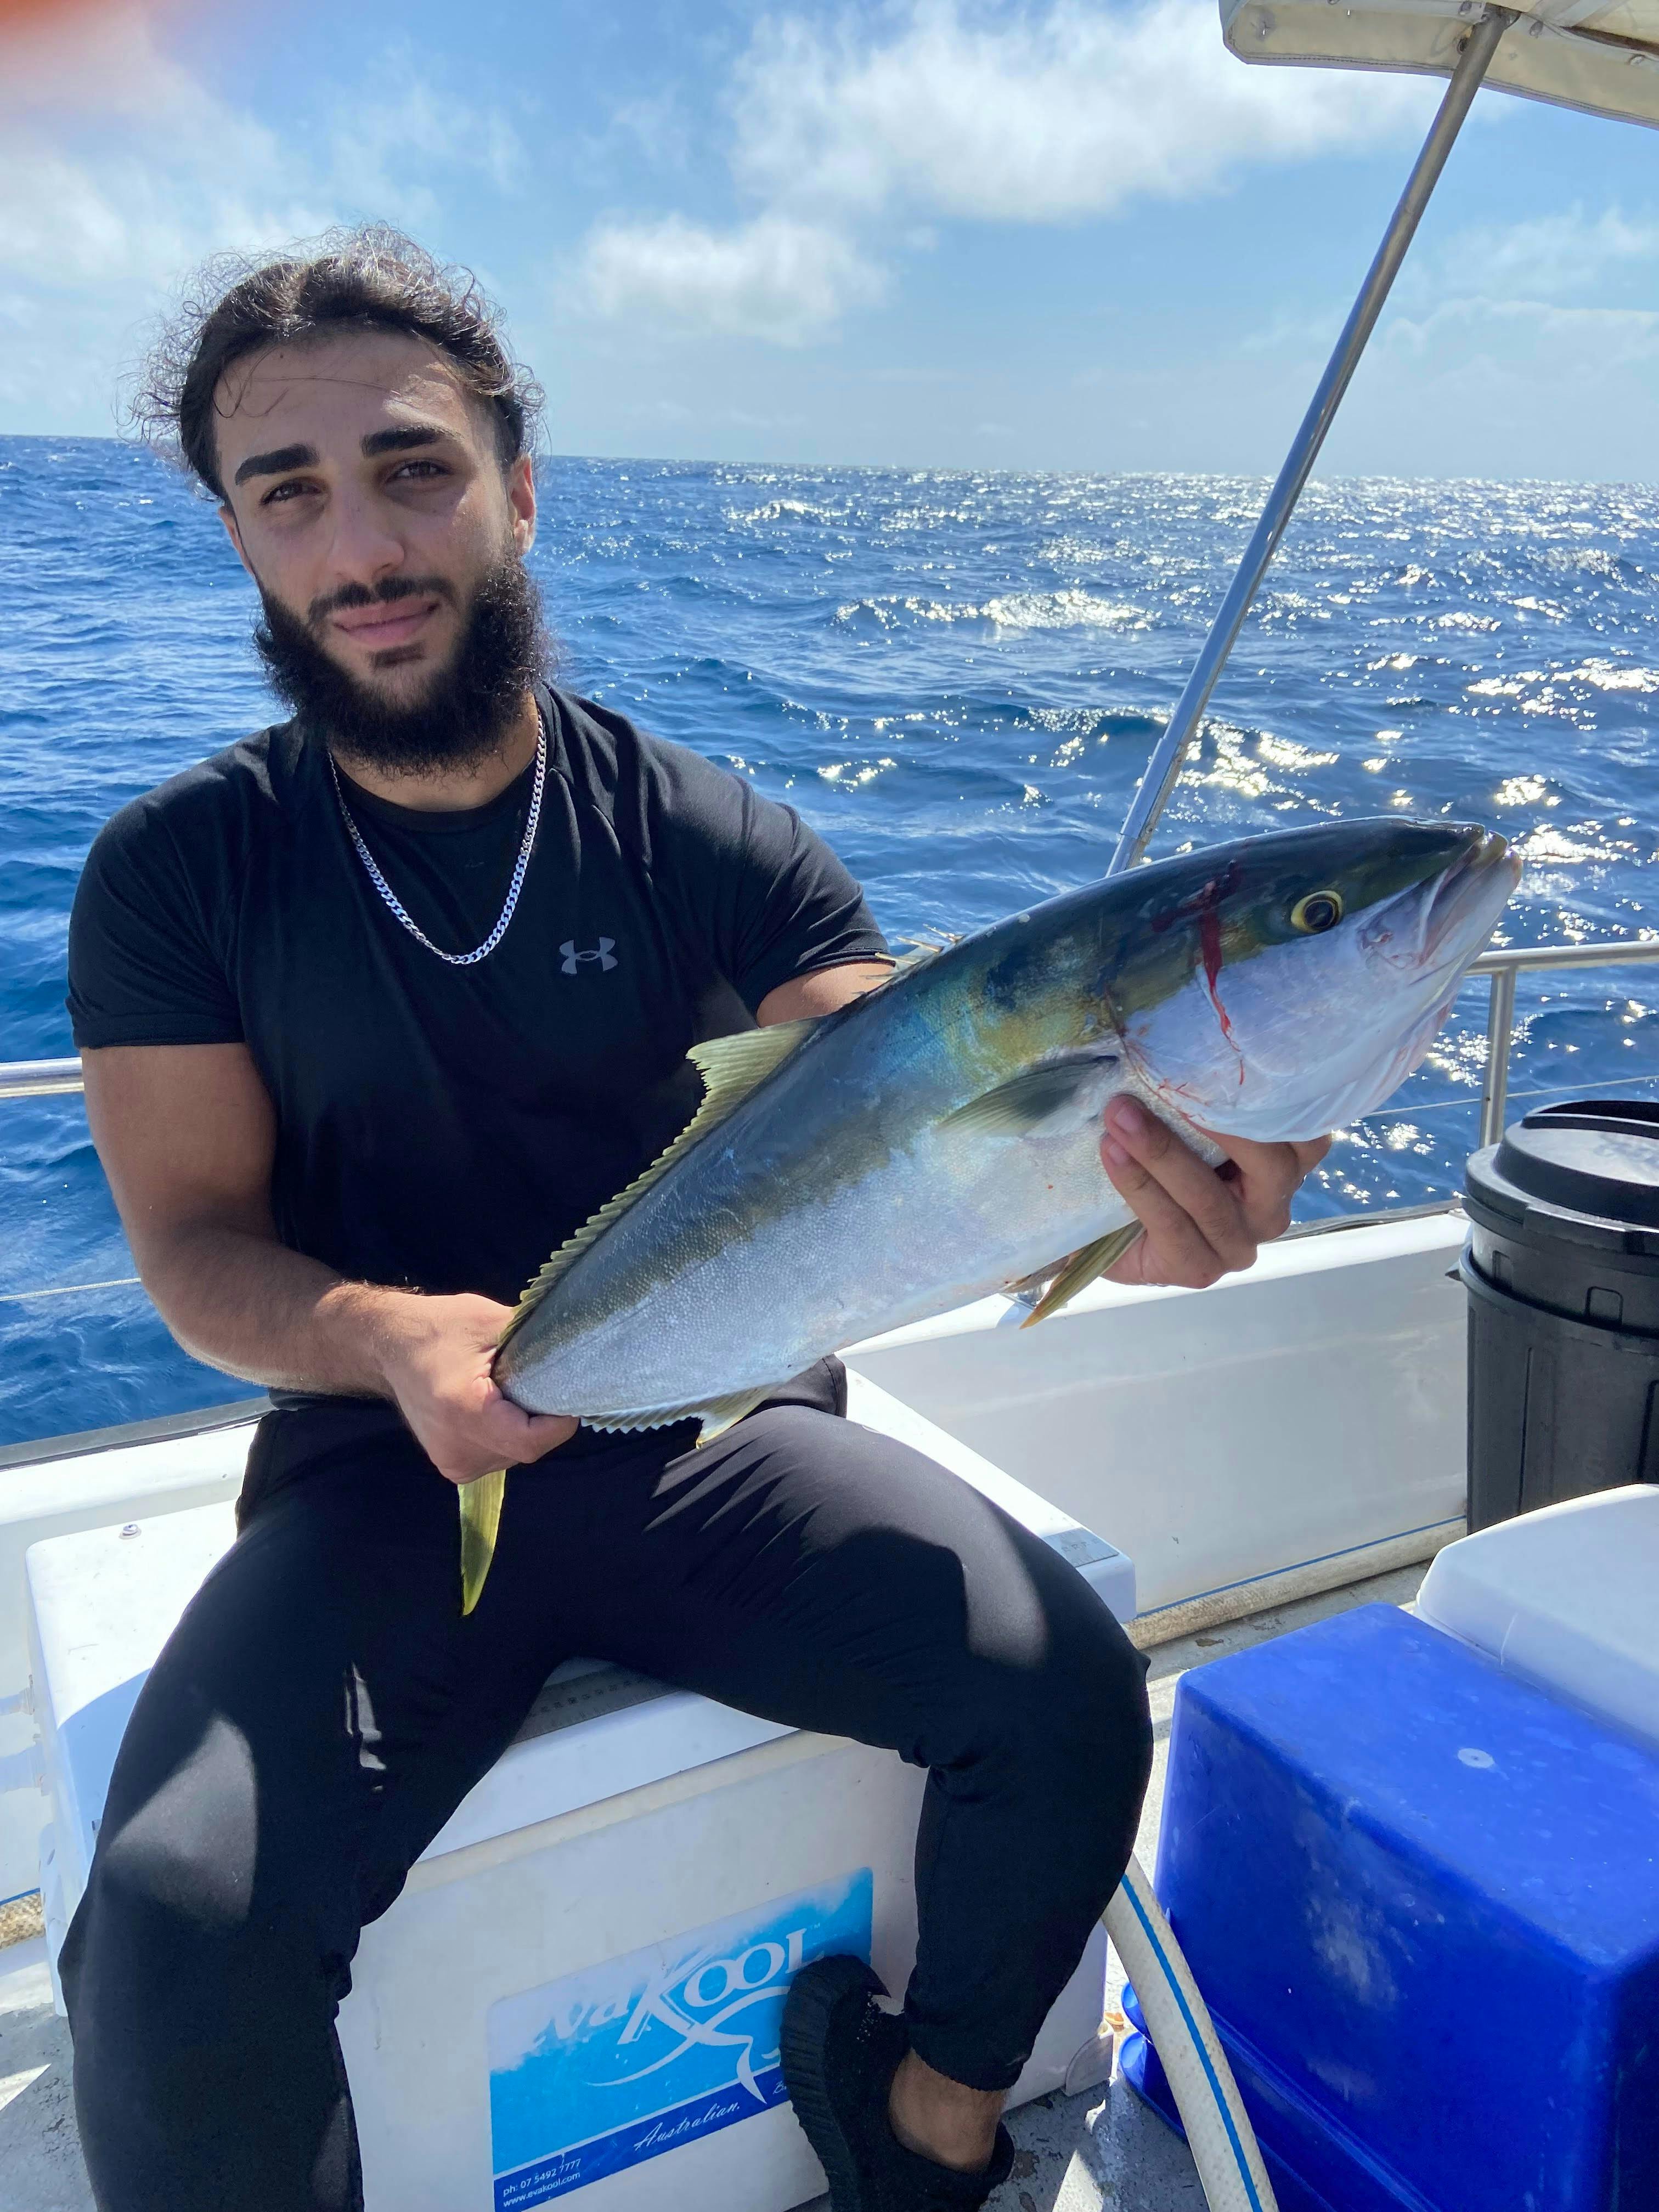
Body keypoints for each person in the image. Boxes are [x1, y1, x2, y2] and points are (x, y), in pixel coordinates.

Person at [60, 227, 1330, 2212]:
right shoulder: (177, 877)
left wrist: (1125, 1184)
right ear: (239, 539)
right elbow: (196, 1246)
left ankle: (920, 2139)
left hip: (721, 1443)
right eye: (286, 493)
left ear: (517, 486)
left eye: (412, 466)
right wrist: (395, 1341)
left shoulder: (712, 832)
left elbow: (907, 1092)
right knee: (168, 1917)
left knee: (1070, 1691)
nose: (362, 543)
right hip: (382, 1472)